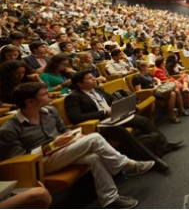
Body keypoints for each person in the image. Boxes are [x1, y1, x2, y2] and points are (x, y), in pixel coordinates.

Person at [0, 82, 155, 209]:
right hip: (41, 163)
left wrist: (75, 136)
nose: (51, 95)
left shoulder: (51, 111)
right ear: (29, 101)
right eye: (44, 94)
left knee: (94, 157)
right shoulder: (9, 128)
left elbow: (64, 130)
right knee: (94, 138)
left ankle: (110, 199)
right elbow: (19, 159)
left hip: (64, 151)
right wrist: (51, 146)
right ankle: (128, 164)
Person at [65, 70, 183, 170]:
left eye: (93, 76)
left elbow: (112, 100)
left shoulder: (98, 89)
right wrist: (104, 112)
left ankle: (165, 143)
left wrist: (121, 105)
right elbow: (76, 118)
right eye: (89, 78)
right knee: (121, 132)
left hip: (113, 117)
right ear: (80, 84)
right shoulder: (73, 97)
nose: (94, 79)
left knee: (143, 120)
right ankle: (154, 160)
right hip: (99, 124)